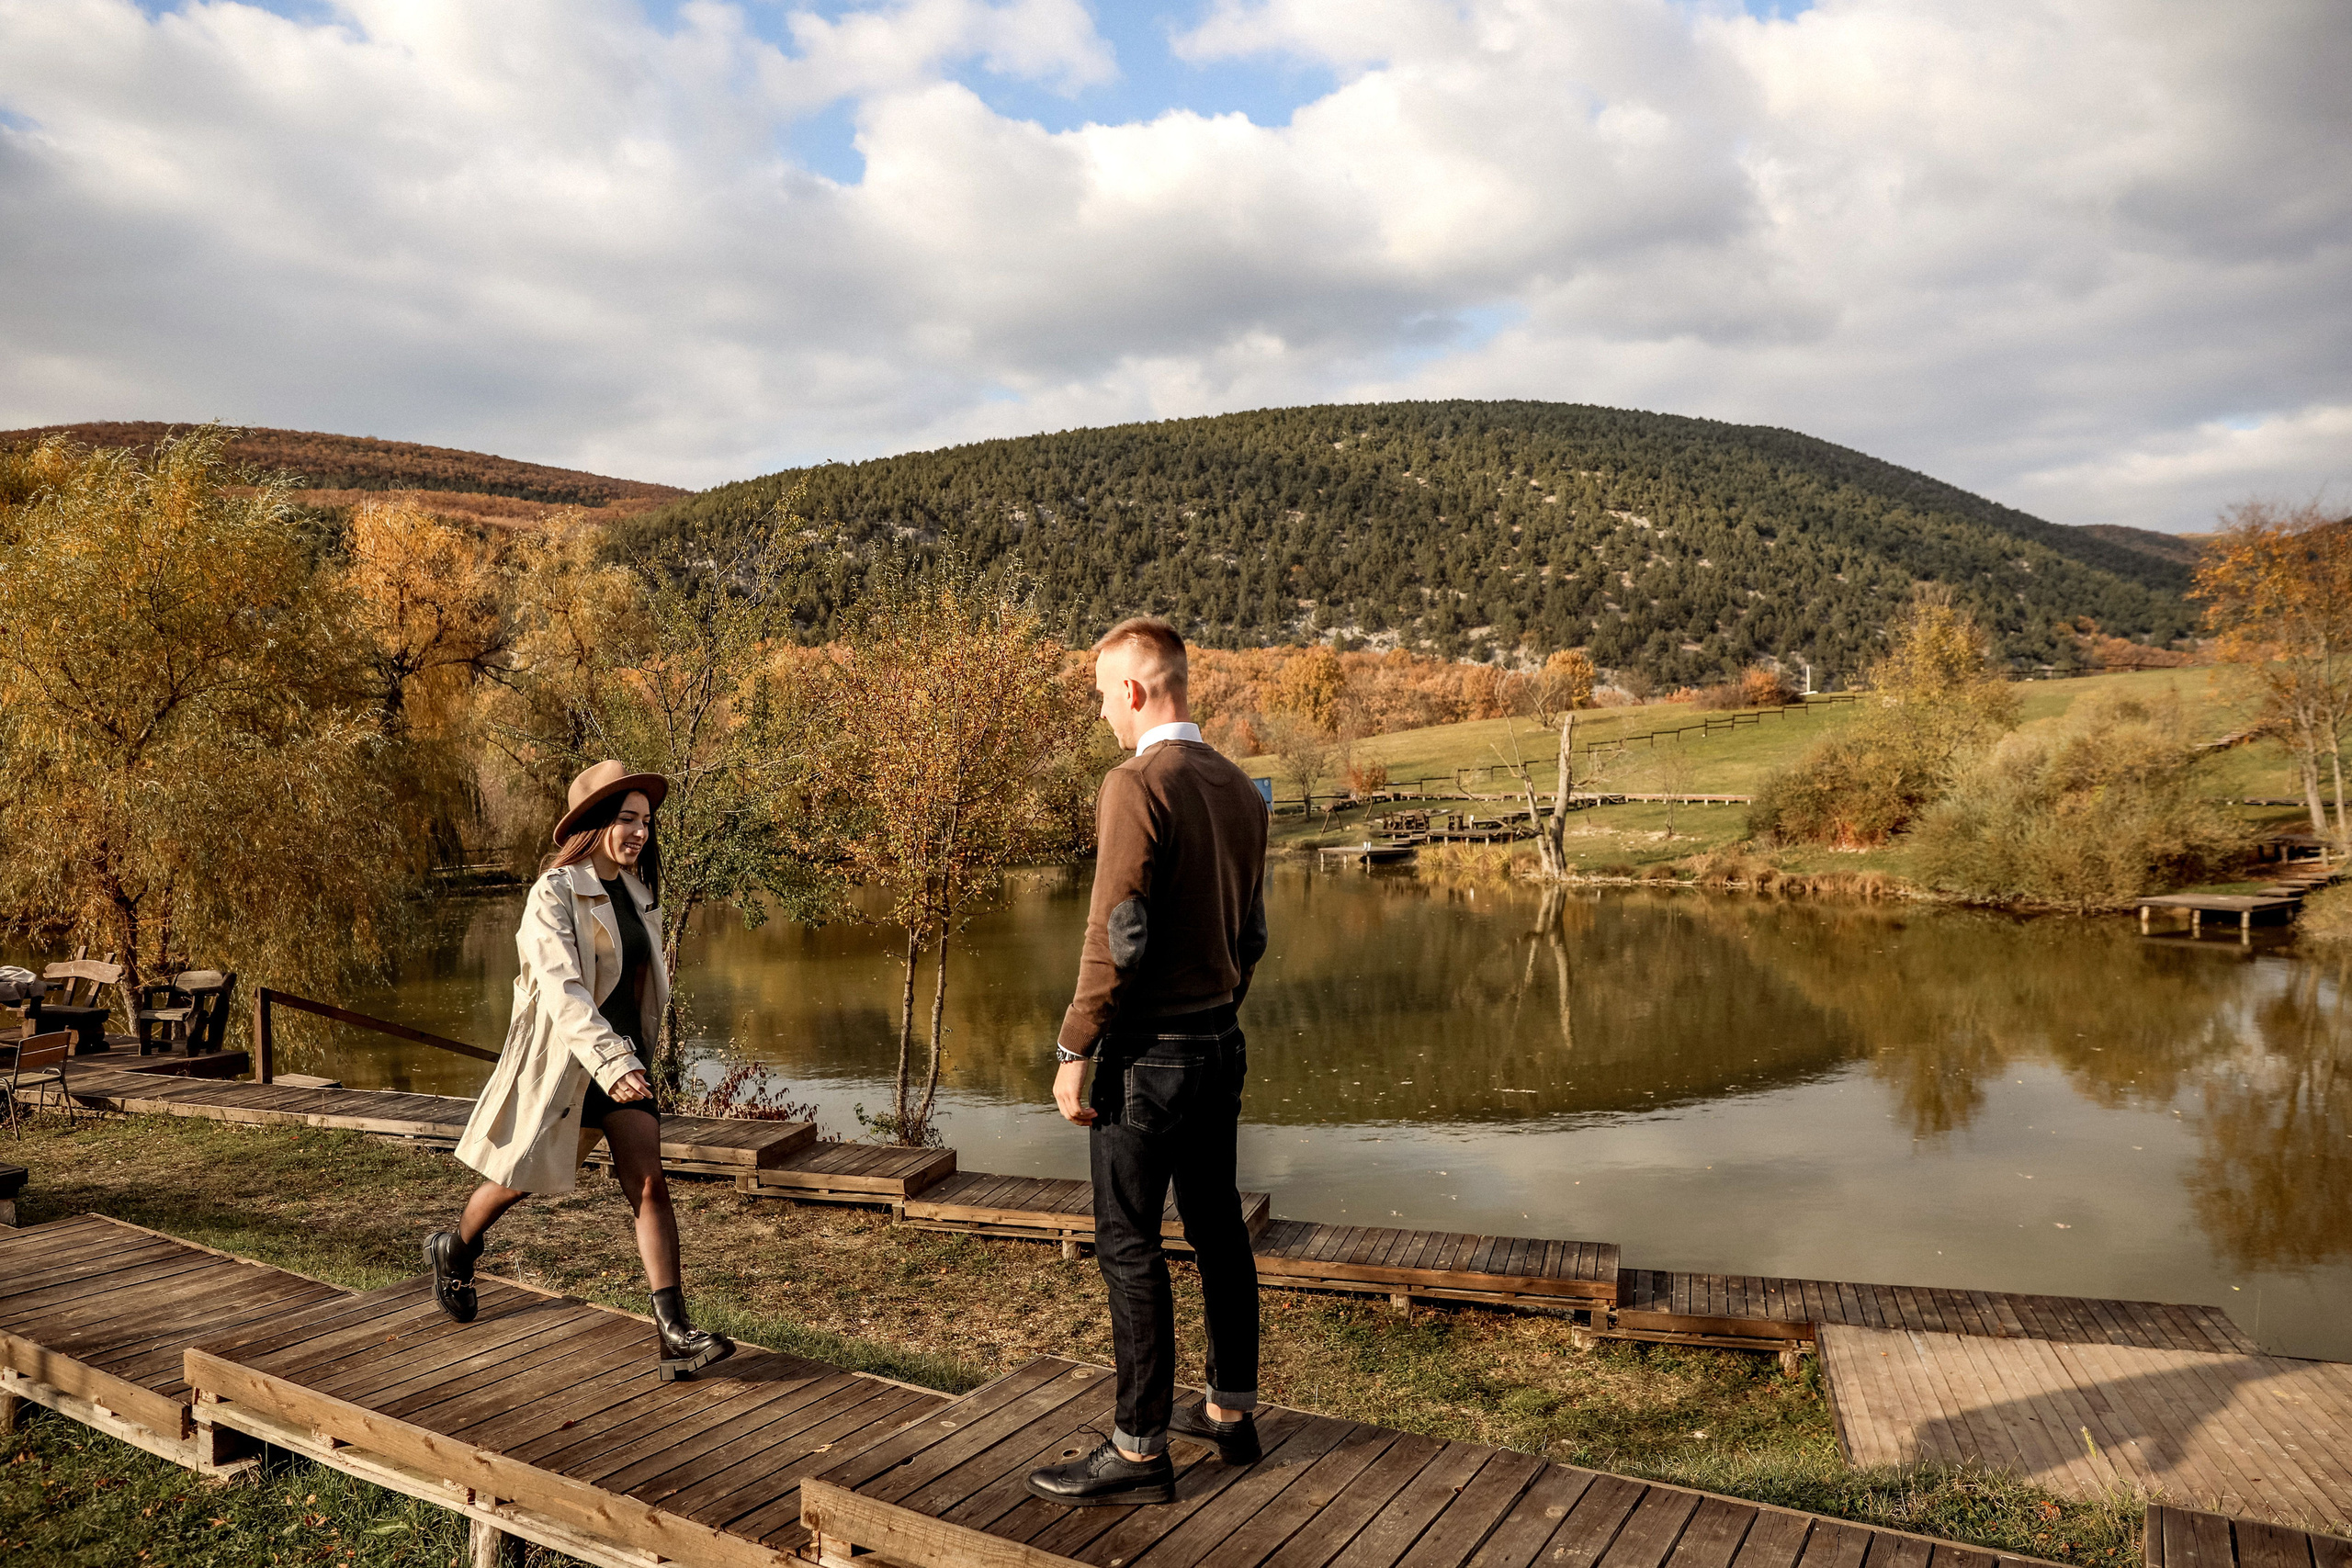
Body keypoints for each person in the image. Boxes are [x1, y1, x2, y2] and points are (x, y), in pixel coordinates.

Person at [1027, 616, 1270, 1507]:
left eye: (1101, 696)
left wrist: (1074, 1047)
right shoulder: (1240, 788)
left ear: (1134, 690)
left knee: (1127, 1245)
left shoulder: (1135, 783)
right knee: (1216, 1232)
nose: (1101, 715)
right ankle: (1230, 1415)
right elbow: (1251, 937)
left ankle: (1137, 1451)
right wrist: (1216, 1011)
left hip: (1147, 1059)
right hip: (1219, 1045)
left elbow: (1115, 933)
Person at [424, 759, 734, 1382]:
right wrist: (611, 1059)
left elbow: (639, 988)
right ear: (594, 823)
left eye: (646, 821)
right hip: (569, 1064)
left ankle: (674, 1333)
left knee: (649, 1183)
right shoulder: (554, 894)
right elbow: (564, 990)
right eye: (626, 819)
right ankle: (454, 1245)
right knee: (520, 1177)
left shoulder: (640, 894)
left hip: (623, 1067)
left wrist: (637, 1060)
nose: (639, 832)